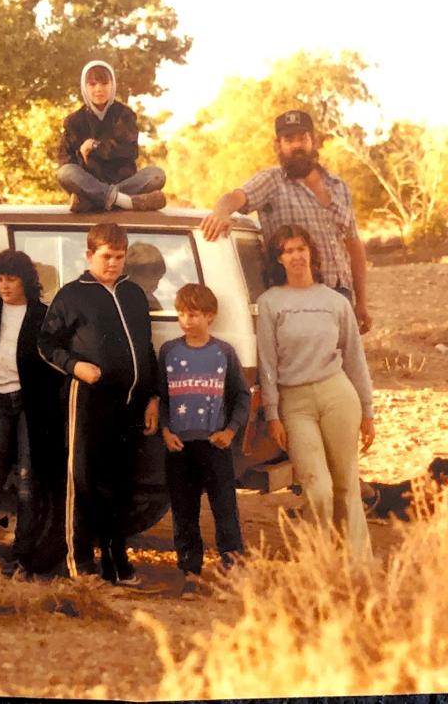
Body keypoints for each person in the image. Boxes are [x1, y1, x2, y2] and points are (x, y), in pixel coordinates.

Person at [38, 222, 159, 585]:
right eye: (107, 257)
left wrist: (152, 396)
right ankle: (81, 564)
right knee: (84, 481)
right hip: (88, 399)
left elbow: (146, 350)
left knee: (121, 485)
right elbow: (46, 344)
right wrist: (76, 367)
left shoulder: (135, 294)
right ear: (90, 255)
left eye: (120, 258)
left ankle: (116, 564)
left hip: (131, 405)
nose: (113, 264)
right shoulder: (73, 295)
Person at [257, 225, 375, 562]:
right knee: (318, 488)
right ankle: (319, 561)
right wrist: (273, 412)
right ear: (279, 259)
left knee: (346, 484)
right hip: (295, 402)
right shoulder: (271, 302)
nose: (296, 256)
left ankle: (356, 565)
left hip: (337, 393)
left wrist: (368, 411)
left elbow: (355, 358)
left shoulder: (335, 301)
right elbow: (267, 363)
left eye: (301, 248)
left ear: (311, 252)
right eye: (288, 251)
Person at [199, 109, 372, 334]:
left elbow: (354, 246)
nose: (297, 145)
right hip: (297, 299)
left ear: (314, 141)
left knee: (342, 365)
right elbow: (235, 197)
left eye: (302, 137)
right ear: (278, 146)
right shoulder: (272, 182)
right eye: (289, 139)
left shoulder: (338, 186)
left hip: (341, 296)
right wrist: (221, 213)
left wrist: (361, 303)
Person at [0, 250, 63, 568]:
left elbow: (51, 366)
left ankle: (23, 556)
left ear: (26, 281)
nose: (5, 286)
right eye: (0, 279)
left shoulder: (42, 315)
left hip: (30, 407)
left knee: (27, 480)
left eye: (12, 279)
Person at [158, 283, 250, 598]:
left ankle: (234, 566)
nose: (187, 321)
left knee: (225, 508)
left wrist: (231, 431)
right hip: (180, 447)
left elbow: (241, 397)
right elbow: (163, 398)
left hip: (215, 445)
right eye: (182, 314)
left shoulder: (223, 352)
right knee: (184, 511)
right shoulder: (169, 351)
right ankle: (190, 573)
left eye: (194, 314)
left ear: (209, 316)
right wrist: (166, 431)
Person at [57, 60, 167, 214]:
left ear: (112, 85)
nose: (99, 89)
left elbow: (129, 151)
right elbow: (65, 161)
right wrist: (83, 156)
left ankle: (93, 203)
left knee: (156, 175)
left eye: (104, 83)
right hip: (90, 185)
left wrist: (95, 146)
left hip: (123, 183)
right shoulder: (74, 121)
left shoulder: (124, 115)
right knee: (66, 173)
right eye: (92, 84)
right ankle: (126, 202)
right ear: (84, 86)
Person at [124, 242, 167, 311]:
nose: (156, 285)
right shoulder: (117, 301)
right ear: (132, 275)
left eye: (158, 279)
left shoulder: (152, 302)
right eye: (151, 277)